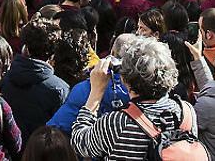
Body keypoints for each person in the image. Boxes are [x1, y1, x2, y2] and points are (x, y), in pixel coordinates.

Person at [69, 36, 198, 160]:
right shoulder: (187, 111)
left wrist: (96, 92)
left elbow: (80, 144)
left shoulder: (117, 123)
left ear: (125, 79)